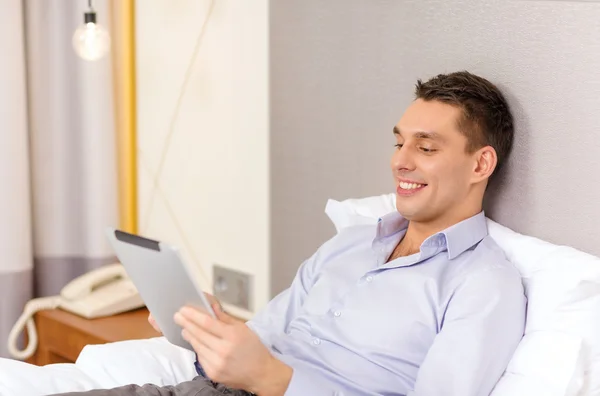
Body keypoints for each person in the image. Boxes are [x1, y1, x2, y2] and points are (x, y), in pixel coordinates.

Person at [54, 71, 526, 396]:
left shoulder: (484, 284)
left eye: (426, 147)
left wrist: (275, 380)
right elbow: (264, 340)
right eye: (400, 142)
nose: (400, 161)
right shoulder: (352, 243)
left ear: (480, 163)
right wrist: (213, 335)